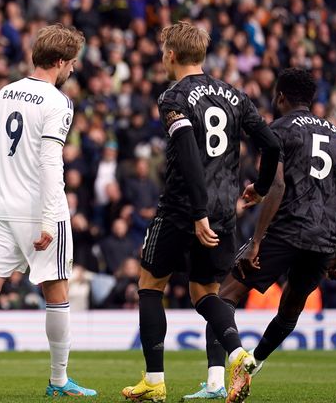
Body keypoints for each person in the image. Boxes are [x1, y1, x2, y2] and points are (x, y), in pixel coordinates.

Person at [121, 22, 281, 403]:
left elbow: (190, 154)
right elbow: (272, 144)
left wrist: (197, 211)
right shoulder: (234, 95)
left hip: (182, 208)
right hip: (225, 210)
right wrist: (258, 189)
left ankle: (155, 381)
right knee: (205, 293)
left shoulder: (174, 96)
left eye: (163, 52)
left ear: (171, 54)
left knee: (150, 284)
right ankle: (240, 354)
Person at [183, 68, 336, 400]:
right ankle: (253, 363)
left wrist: (257, 242)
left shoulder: (279, 128)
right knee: (290, 309)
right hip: (325, 240)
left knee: (223, 295)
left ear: (280, 97)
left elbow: (278, 184)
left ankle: (215, 384)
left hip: (287, 230)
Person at [0, 24, 97, 398]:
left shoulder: (3, 94)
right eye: (71, 64)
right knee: (57, 294)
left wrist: (14, 156)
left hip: (3, 208)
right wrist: (48, 219)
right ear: (59, 62)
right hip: (42, 211)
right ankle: (59, 380)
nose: (73, 70)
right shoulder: (57, 102)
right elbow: (49, 163)